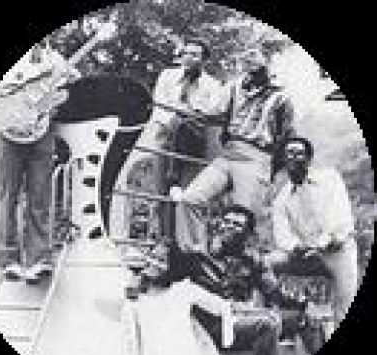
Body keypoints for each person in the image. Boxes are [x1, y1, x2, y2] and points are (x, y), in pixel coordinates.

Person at [169, 47, 294, 252]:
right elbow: (215, 113)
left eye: (256, 59)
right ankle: (193, 254)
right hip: (228, 153)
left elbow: (286, 137)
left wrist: (270, 170)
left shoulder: (281, 96)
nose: (251, 63)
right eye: (247, 61)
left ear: (266, 64)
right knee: (189, 199)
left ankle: (241, 265)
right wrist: (190, 112)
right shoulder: (234, 87)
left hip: (257, 156)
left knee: (244, 218)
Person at [110, 36, 228, 241]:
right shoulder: (167, 76)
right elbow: (158, 105)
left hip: (193, 142)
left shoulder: (213, 85)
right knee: (160, 190)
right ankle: (161, 238)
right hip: (164, 136)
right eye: (186, 53)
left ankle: (182, 240)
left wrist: (186, 114)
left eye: (195, 55)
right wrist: (177, 116)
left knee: (187, 194)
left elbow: (210, 111)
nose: (188, 58)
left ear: (204, 60)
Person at [0, 39, 79, 284]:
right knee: (8, 198)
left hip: (42, 134)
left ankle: (38, 260)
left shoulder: (55, 59)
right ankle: (8, 259)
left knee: (39, 197)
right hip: (9, 135)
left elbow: (70, 87)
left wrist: (57, 98)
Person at [123, 243, 243, 355]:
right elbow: (131, 348)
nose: (154, 262)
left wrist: (227, 339)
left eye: (162, 260)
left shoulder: (184, 289)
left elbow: (222, 306)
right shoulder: (134, 301)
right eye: (152, 256)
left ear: (172, 267)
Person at [179, 205, 284, 355]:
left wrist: (279, 308)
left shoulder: (253, 259)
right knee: (266, 324)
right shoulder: (196, 255)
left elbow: (273, 291)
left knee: (306, 319)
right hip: (210, 324)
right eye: (226, 221)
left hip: (241, 321)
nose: (228, 226)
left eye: (237, 224)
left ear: (247, 233)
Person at [268, 137, 358, 328]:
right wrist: (297, 247)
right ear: (283, 159)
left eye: (299, 153)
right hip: (306, 255)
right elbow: (282, 235)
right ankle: (275, 319)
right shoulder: (282, 198)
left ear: (308, 159)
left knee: (346, 307)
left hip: (338, 252)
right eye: (289, 153)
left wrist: (320, 245)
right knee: (266, 263)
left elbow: (339, 219)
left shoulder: (330, 179)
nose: (294, 157)